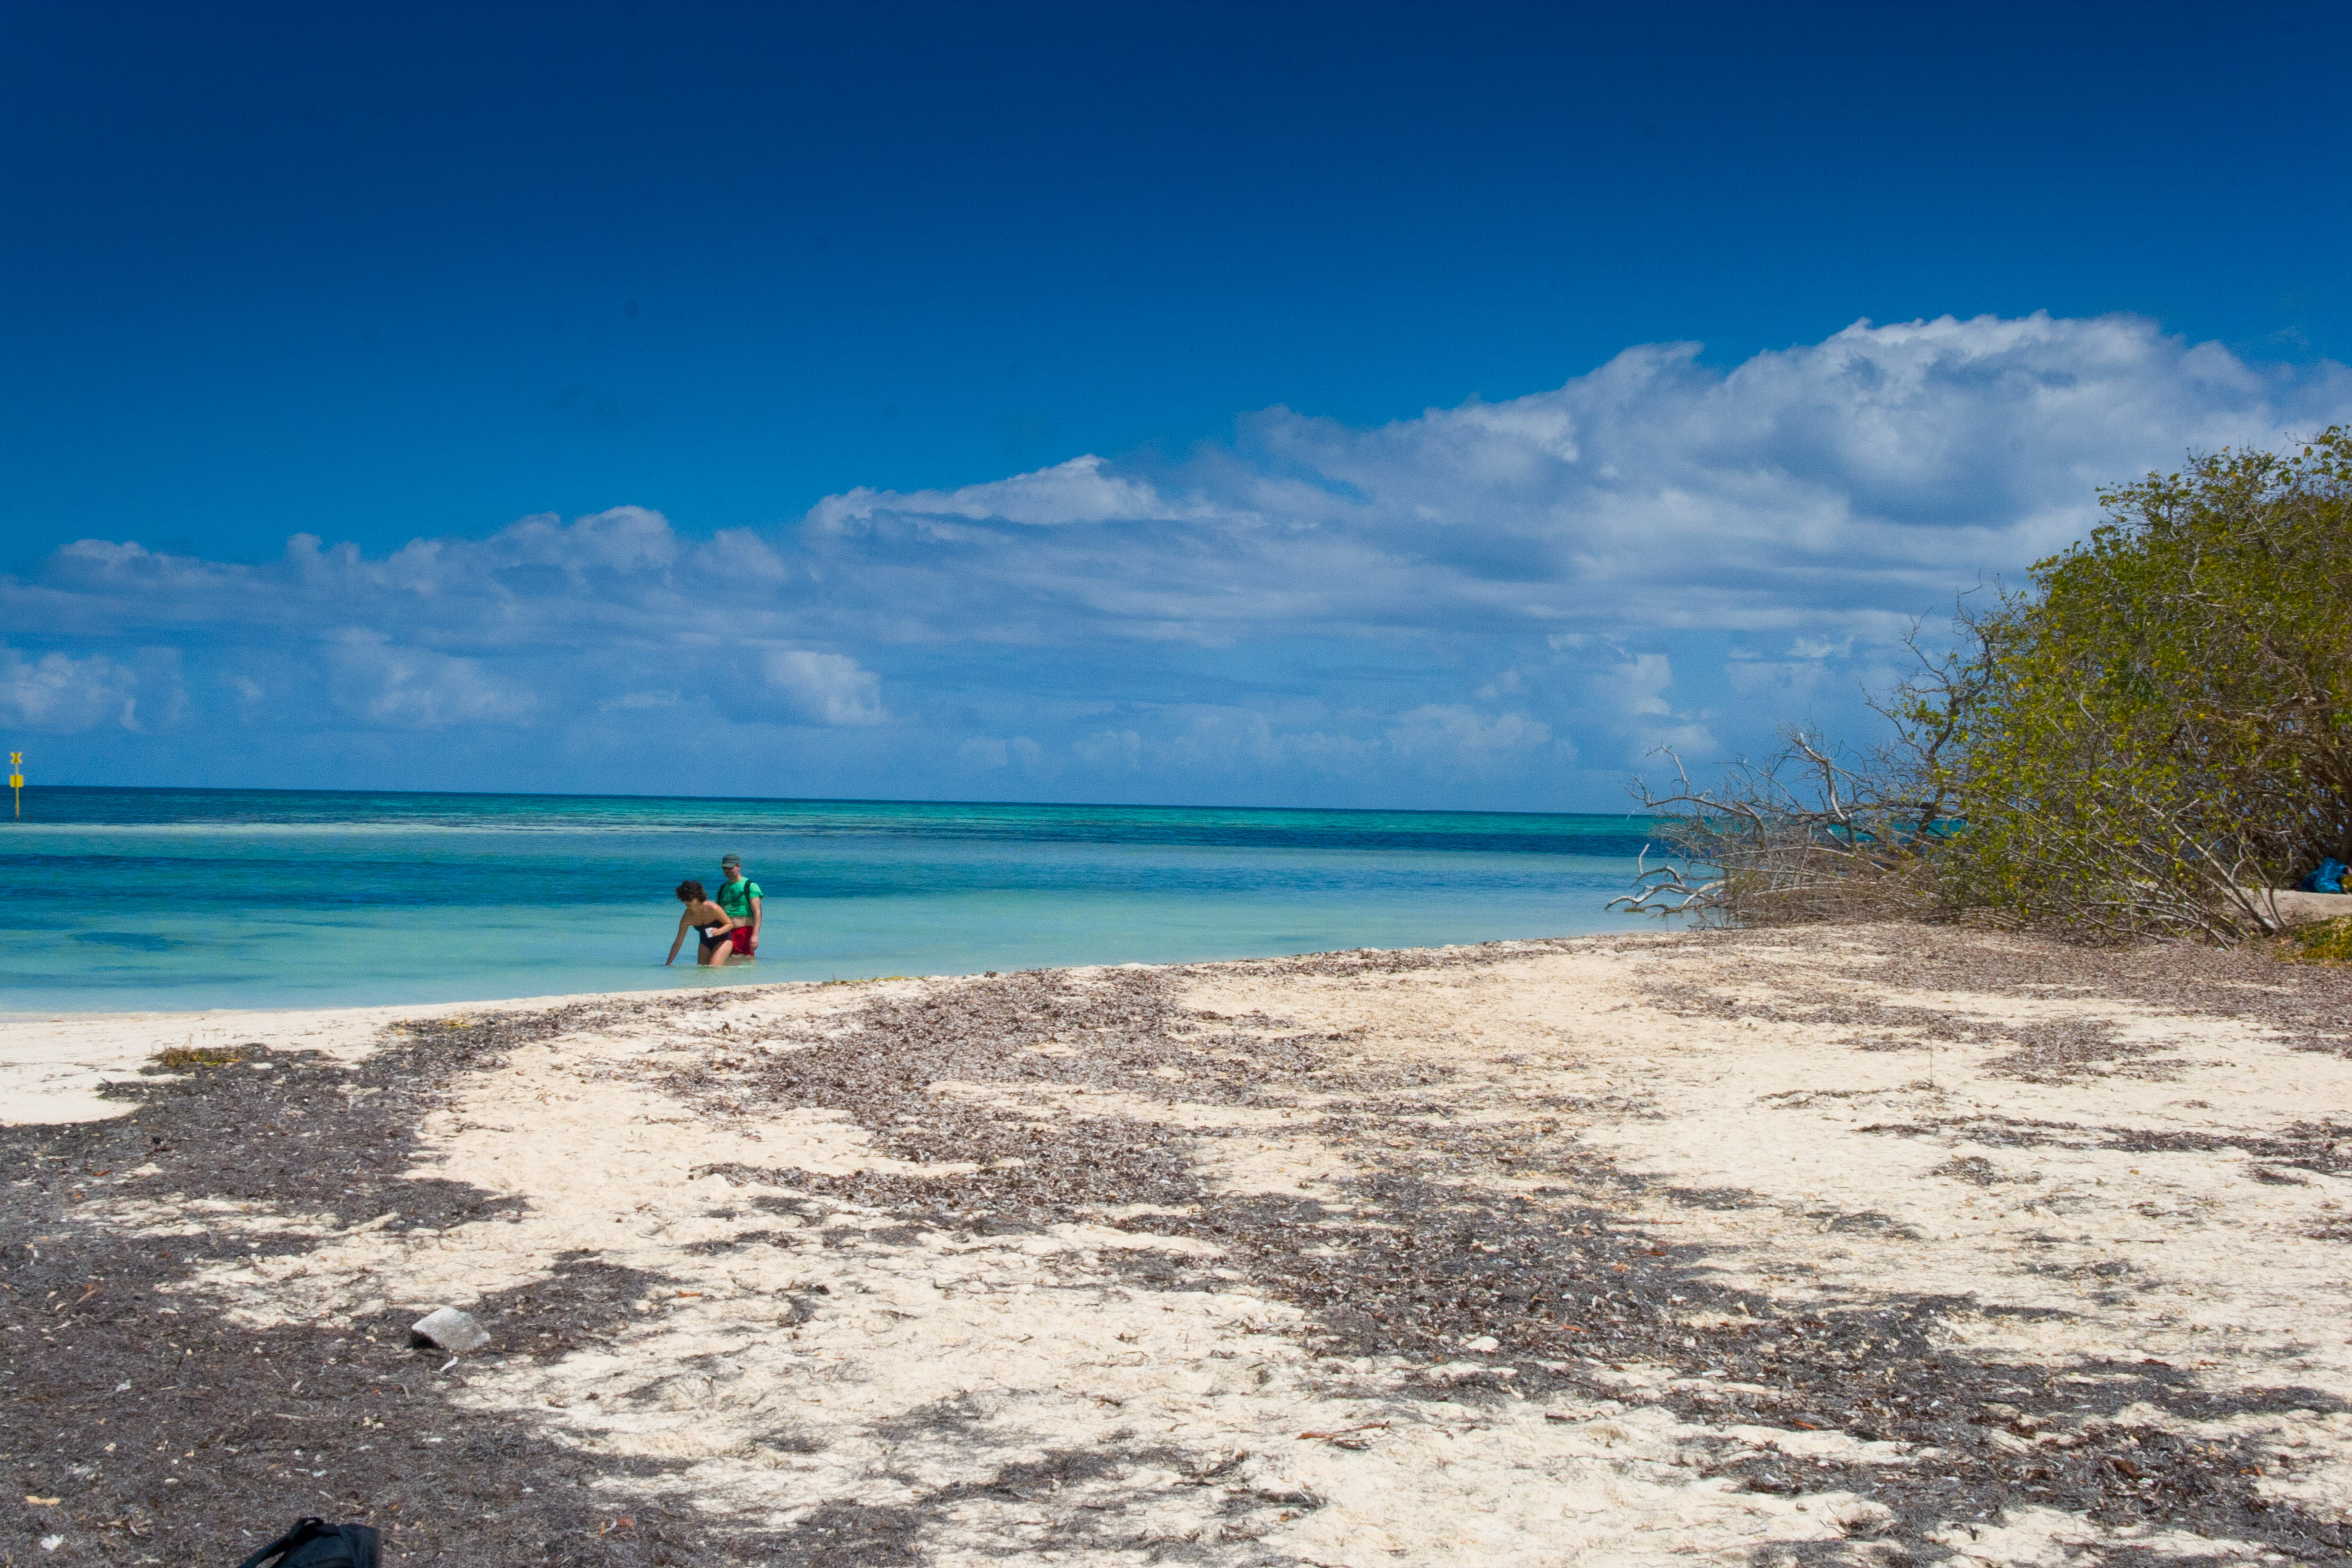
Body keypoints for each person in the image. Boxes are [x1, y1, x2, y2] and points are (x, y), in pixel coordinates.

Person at [665, 880, 739, 967]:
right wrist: (668, 963)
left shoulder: (713, 908)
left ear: (698, 896)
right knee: (702, 970)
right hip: (705, 942)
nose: (686, 902)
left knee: (713, 968)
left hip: (723, 939)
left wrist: (720, 931)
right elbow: (678, 941)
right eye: (684, 899)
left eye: (689, 899)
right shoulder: (687, 917)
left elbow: (730, 924)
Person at [714, 852, 763, 960]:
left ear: (739, 866)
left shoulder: (750, 886)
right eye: (725, 868)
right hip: (725, 933)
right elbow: (718, 913)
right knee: (725, 963)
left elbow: (757, 912)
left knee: (745, 963)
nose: (727, 871)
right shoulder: (722, 889)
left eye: (730, 868)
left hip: (743, 932)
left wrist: (755, 935)